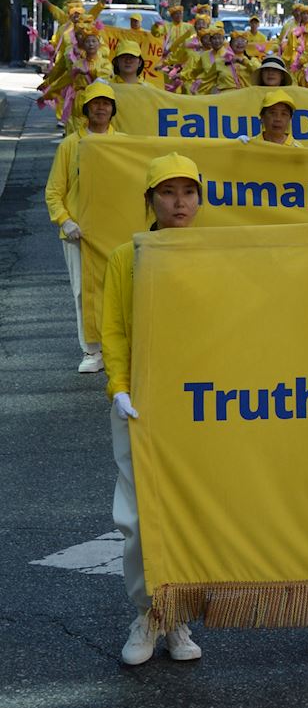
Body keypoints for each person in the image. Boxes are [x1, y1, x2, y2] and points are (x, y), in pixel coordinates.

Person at [103, 152, 206, 665]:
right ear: (150, 200)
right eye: (167, 192)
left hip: (199, 406)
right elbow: (115, 329)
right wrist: (119, 387)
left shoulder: (216, 255)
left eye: (188, 192)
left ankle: (178, 616)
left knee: (190, 513)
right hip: (141, 406)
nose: (178, 203)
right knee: (138, 518)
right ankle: (148, 613)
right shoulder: (127, 256)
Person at [45, 82, 121, 373]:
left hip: (115, 231)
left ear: (113, 109)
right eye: (96, 103)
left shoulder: (123, 144)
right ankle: (92, 350)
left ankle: (117, 346)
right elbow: (54, 191)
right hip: (79, 234)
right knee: (83, 292)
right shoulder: (69, 145)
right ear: (86, 108)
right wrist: (65, 220)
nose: (101, 108)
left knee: (116, 290)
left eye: (106, 103)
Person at [237, 90, 303, 147]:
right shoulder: (249, 145)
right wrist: (237, 147)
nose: (278, 119)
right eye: (273, 113)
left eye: (284, 114)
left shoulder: (298, 149)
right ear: (262, 117)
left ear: (290, 119)